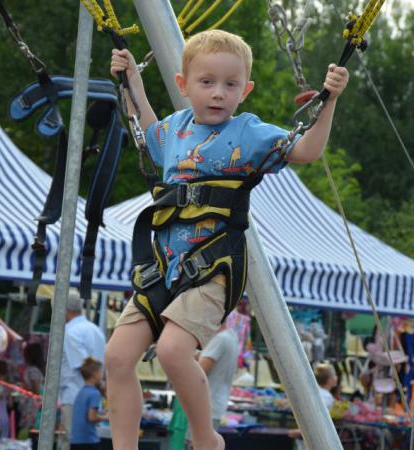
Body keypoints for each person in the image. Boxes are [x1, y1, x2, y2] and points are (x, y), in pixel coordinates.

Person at [106, 29, 349, 450]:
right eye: (206, 82)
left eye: (230, 85)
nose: (218, 94)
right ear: (183, 85)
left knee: (172, 351)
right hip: (164, 265)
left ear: (245, 90)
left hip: (210, 268)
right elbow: (145, 125)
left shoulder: (249, 134)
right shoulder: (175, 130)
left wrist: (328, 101)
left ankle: (206, 438)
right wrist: (131, 80)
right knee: (116, 356)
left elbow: (307, 150)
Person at [59, 293, 106, 450]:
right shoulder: (96, 330)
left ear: (64, 310)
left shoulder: (70, 331)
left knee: (71, 441)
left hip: (75, 395)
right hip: (90, 394)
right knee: (86, 440)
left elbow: (83, 364)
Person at [185, 322, 240, 449]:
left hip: (206, 406)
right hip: (215, 404)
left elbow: (199, 373)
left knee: (197, 445)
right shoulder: (231, 336)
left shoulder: (219, 339)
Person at [289, 363, 338, 449]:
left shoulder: (313, 392)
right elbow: (317, 418)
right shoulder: (326, 397)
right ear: (329, 380)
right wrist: (301, 431)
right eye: (334, 375)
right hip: (314, 436)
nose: (336, 377)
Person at [70, 357, 108, 450]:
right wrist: (106, 417)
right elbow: (91, 417)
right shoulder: (94, 393)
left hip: (75, 440)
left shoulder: (81, 392)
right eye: (101, 372)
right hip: (88, 440)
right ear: (94, 374)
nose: (102, 375)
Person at [20, 342, 45, 434]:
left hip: (32, 404)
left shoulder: (32, 369)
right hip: (34, 404)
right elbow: (36, 388)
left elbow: (35, 388)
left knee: (30, 427)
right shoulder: (34, 370)